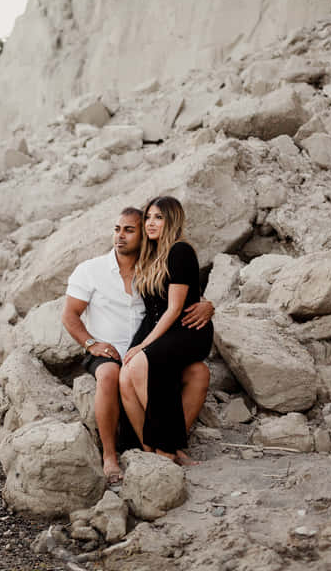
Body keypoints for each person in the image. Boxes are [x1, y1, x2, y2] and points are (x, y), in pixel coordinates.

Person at [62, 207, 212, 483]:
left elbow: (179, 299)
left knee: (200, 372)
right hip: (106, 352)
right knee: (109, 373)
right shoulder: (91, 270)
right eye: (117, 229)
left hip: (147, 348)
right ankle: (110, 456)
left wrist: (206, 306)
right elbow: (69, 315)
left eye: (129, 231)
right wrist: (91, 343)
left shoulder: (153, 269)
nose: (120, 236)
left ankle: (170, 446)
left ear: (144, 236)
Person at [120, 196, 214, 462]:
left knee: (139, 363)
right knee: (125, 375)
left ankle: (166, 449)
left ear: (171, 221)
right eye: (148, 217)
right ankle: (155, 452)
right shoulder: (151, 254)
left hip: (186, 329)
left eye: (158, 217)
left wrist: (143, 345)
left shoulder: (179, 251)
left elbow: (174, 309)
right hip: (160, 326)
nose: (150, 222)